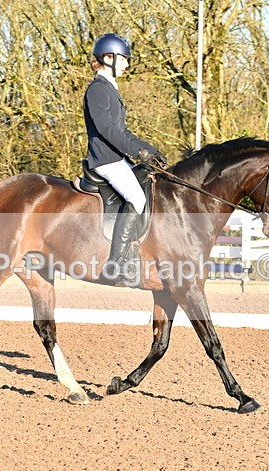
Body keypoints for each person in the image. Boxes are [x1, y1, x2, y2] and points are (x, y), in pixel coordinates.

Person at [83, 33, 167, 285]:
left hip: (117, 158)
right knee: (137, 198)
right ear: (108, 58)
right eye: (124, 59)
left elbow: (124, 131)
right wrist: (137, 153)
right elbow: (107, 130)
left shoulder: (109, 88)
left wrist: (149, 150)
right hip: (105, 160)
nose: (127, 65)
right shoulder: (97, 90)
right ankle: (115, 264)